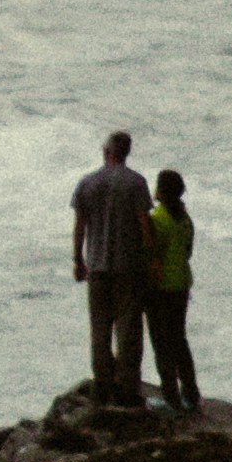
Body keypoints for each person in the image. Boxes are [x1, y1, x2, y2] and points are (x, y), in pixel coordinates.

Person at [69, 129, 151, 407]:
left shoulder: (87, 183)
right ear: (126, 153)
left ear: (107, 152)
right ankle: (127, 388)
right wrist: (153, 260)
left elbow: (80, 226)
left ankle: (102, 386)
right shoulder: (137, 183)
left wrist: (78, 260)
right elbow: (144, 225)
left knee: (100, 330)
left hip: (97, 268)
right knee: (128, 331)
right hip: (128, 268)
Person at [141, 167, 200, 416]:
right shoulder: (185, 219)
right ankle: (191, 395)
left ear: (160, 191)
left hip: (160, 288)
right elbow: (187, 252)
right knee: (179, 341)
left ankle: (171, 399)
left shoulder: (156, 219)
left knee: (161, 344)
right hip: (182, 286)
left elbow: (149, 255)